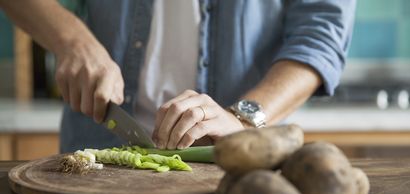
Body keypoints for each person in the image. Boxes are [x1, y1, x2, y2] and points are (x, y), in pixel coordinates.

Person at [0, 0, 356, 152]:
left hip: (234, 163)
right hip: (97, 154)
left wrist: (244, 118)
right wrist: (71, 40)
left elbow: (320, 33)